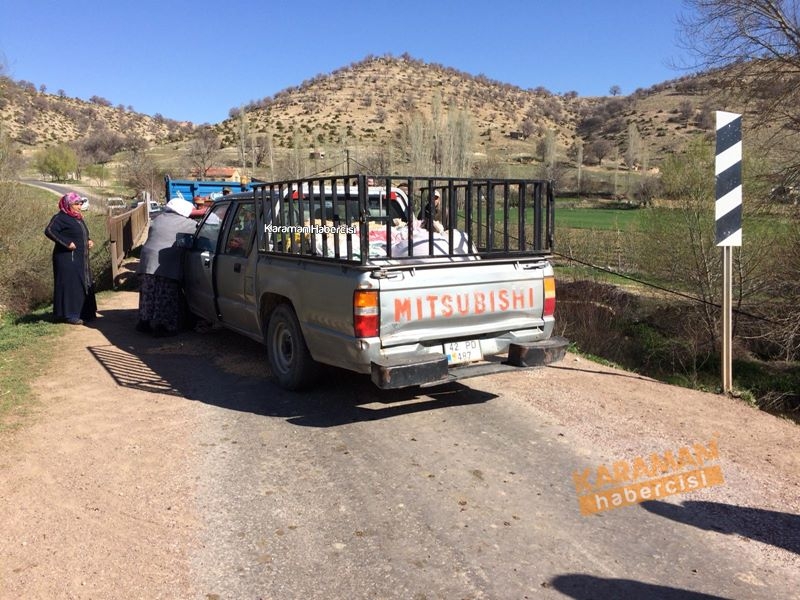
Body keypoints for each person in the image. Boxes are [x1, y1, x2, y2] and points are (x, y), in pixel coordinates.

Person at [136, 198, 198, 336]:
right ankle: (162, 327)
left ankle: (144, 323)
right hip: (165, 263)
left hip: (147, 261)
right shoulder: (187, 223)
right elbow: (200, 233)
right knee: (164, 295)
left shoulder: (159, 218)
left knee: (148, 293)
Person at [44, 192, 97, 325]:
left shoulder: (77, 217)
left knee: (84, 283)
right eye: (76, 204)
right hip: (67, 258)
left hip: (81, 258)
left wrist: (88, 240)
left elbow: (80, 234)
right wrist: (66, 243)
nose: (79, 206)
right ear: (68, 204)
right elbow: (49, 231)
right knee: (71, 285)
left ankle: (86, 312)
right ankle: (70, 314)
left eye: (80, 204)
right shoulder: (60, 217)